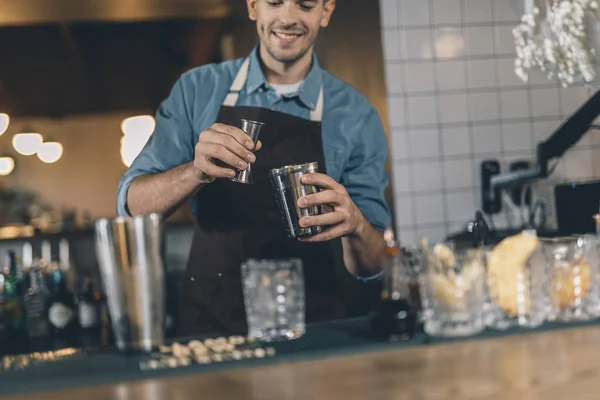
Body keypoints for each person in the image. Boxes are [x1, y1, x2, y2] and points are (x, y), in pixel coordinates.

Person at [116, 0, 391, 336]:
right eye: (274, 2)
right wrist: (196, 171)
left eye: (305, 4)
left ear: (327, 10)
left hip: (315, 328)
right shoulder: (198, 89)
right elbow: (134, 207)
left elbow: (375, 265)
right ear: (252, 6)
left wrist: (358, 226)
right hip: (213, 325)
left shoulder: (356, 115)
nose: (288, 18)